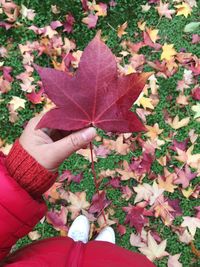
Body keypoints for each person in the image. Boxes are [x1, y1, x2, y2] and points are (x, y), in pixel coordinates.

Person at [0, 115, 155, 267]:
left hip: (51, 259)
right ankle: (102, 250)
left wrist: (20, 177)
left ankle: (78, 245)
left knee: (73, 252)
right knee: (106, 258)